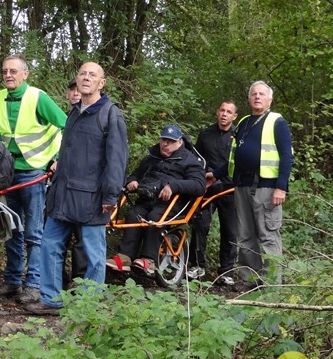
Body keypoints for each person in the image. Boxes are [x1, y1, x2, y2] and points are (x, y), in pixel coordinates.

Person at [25, 62, 128, 316]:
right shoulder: (73, 112)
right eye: (82, 73)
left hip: (92, 198)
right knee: (49, 244)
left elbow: (117, 159)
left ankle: (89, 306)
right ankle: (51, 299)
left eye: (92, 75)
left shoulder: (110, 114)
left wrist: (111, 195)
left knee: (94, 253)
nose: (86, 78)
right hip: (62, 195)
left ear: (101, 83)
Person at [0, 54, 67, 304]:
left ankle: (33, 284)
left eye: (13, 71)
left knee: (34, 231)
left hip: (34, 170)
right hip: (7, 171)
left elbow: (68, 125)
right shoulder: (1, 97)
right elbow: (3, 134)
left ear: (25, 74)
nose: (8, 75)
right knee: (11, 228)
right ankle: (12, 280)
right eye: (4, 71)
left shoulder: (37, 97)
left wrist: (58, 157)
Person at [208, 81, 293, 289]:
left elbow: (286, 157)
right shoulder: (245, 122)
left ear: (270, 99)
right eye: (254, 94)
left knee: (268, 235)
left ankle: (272, 286)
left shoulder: (277, 122)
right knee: (245, 236)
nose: (257, 97)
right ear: (249, 99)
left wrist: (281, 187)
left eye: (262, 94)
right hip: (241, 186)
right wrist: (215, 175)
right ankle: (250, 281)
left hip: (266, 188)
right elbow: (234, 157)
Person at [106, 125, 206, 276]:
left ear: (179, 142)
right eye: (163, 140)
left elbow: (199, 185)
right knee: (134, 214)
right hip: (147, 199)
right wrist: (132, 181)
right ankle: (124, 257)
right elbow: (136, 174)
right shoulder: (152, 157)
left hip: (172, 203)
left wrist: (173, 186)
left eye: (170, 141)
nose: (165, 144)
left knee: (154, 219)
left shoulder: (189, 161)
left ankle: (149, 260)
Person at [187, 101, 238, 285]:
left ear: (234, 116)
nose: (225, 114)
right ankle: (196, 266)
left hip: (230, 188)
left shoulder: (239, 135)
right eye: (222, 110)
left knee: (230, 230)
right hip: (207, 188)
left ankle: (227, 271)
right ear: (217, 112)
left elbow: (240, 161)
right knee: (201, 225)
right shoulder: (206, 134)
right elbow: (196, 160)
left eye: (229, 112)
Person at [62, 77, 87, 285]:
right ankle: (58, 278)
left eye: (79, 89)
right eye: (72, 89)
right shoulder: (63, 119)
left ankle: (79, 280)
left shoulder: (94, 116)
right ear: (67, 95)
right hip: (60, 185)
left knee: (82, 237)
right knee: (57, 236)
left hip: (82, 186)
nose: (76, 92)